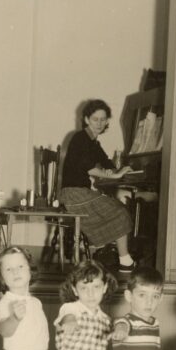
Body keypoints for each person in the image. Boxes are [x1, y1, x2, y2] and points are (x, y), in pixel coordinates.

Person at [59, 99, 134, 272]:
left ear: (107, 121)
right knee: (120, 211)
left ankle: (106, 253)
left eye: (103, 119)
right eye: (95, 119)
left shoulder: (92, 142)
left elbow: (106, 162)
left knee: (115, 207)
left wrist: (122, 170)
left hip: (79, 193)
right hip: (74, 195)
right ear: (86, 119)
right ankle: (125, 260)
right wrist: (115, 174)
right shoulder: (80, 138)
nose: (99, 123)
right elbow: (89, 167)